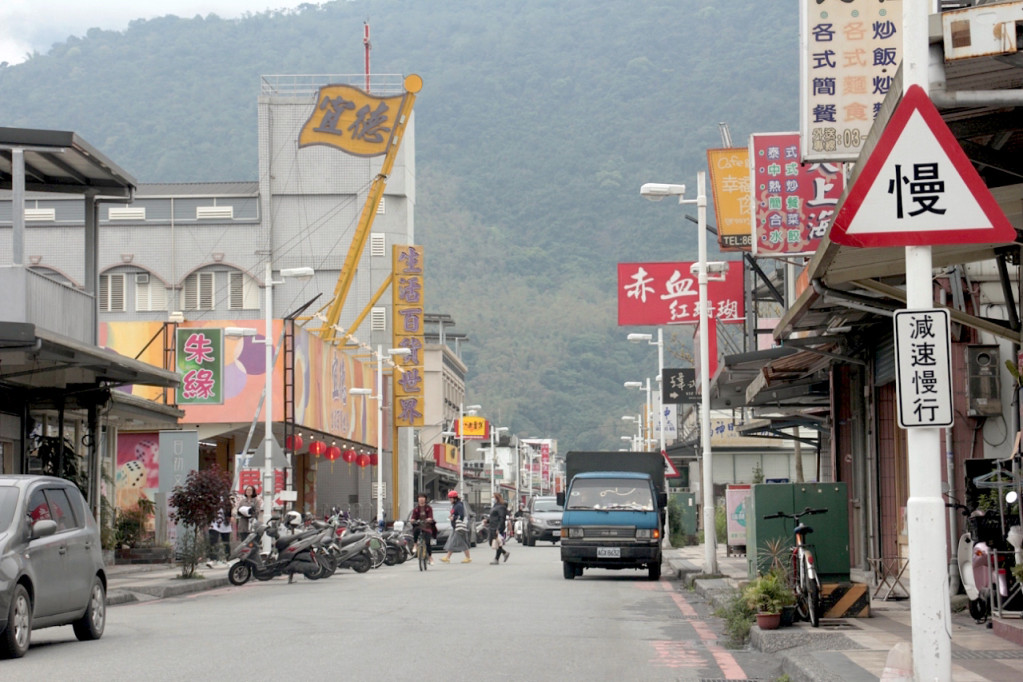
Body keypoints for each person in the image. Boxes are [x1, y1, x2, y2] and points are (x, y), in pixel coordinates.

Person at [440, 490, 471, 563]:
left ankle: (449, 557)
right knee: (453, 542)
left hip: (458, 527)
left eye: (451, 498)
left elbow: (461, 516)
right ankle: (448, 557)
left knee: (456, 542)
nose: (450, 500)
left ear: (455, 498)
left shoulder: (459, 505)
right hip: (455, 527)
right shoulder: (455, 505)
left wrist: (453, 518)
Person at [410, 493, 437, 564]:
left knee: (428, 542)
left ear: (425, 499)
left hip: (427, 526)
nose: (421, 500)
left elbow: (431, 516)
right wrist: (412, 520)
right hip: (419, 525)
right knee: (415, 531)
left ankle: (430, 557)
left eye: (423, 498)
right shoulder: (416, 509)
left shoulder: (429, 508)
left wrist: (429, 519)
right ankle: (415, 544)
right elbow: (413, 517)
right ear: (418, 500)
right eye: (420, 498)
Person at [206, 499, 232, 567]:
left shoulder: (226, 498)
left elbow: (229, 508)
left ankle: (228, 559)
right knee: (213, 541)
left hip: (224, 522)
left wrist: (229, 517)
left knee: (226, 542)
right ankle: (213, 559)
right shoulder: (212, 496)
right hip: (214, 522)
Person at [488, 492, 510, 564]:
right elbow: (492, 516)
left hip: (497, 526)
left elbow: (502, 518)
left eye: (493, 497)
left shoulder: (501, 507)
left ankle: (496, 559)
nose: (492, 499)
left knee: (498, 543)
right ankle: (504, 552)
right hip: (492, 526)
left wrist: (499, 528)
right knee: (492, 542)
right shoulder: (495, 506)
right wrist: (487, 521)